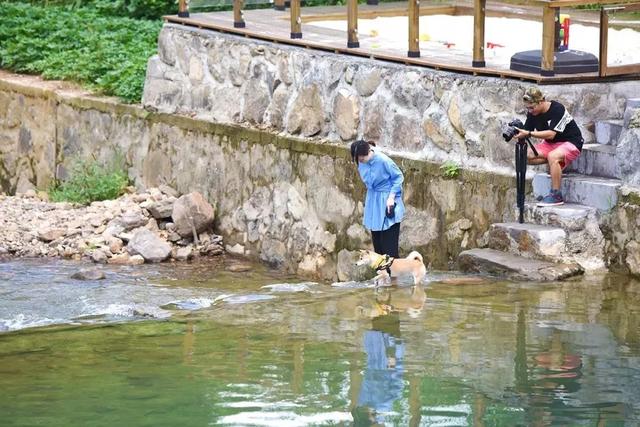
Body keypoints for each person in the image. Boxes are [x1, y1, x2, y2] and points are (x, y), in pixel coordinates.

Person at [515, 87, 583, 207]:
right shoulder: (532, 113)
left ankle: (556, 195)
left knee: (553, 156)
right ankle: (555, 164)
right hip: (550, 145)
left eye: (532, 107)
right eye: (527, 108)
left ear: (541, 101)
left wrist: (529, 134)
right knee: (524, 156)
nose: (530, 111)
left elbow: (551, 134)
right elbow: (526, 131)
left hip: (571, 142)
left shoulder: (557, 109)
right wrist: (516, 132)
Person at [350, 140, 405, 258]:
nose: (360, 162)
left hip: (387, 201)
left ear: (368, 152)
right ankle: (383, 275)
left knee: (389, 248)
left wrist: (391, 198)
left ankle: (393, 275)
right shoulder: (361, 161)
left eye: (361, 159)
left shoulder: (383, 160)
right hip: (373, 202)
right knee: (378, 245)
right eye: (358, 160)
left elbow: (398, 177)